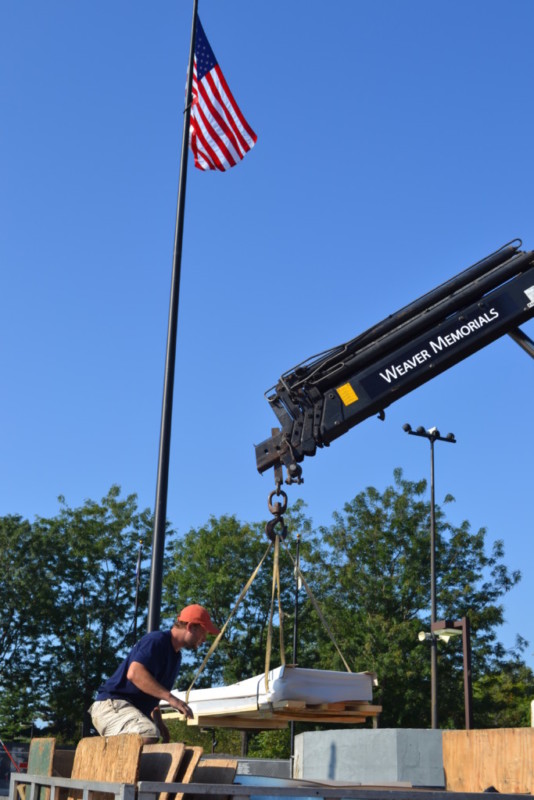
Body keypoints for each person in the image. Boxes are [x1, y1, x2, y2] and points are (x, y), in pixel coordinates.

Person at [89, 604, 220, 743]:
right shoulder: (157, 640)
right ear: (190, 627)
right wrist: (171, 699)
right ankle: (109, 759)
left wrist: (158, 720)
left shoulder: (176, 657)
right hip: (112, 705)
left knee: (152, 734)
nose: (204, 639)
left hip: (127, 709)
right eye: (203, 632)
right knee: (147, 734)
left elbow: (152, 692)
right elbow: (134, 673)